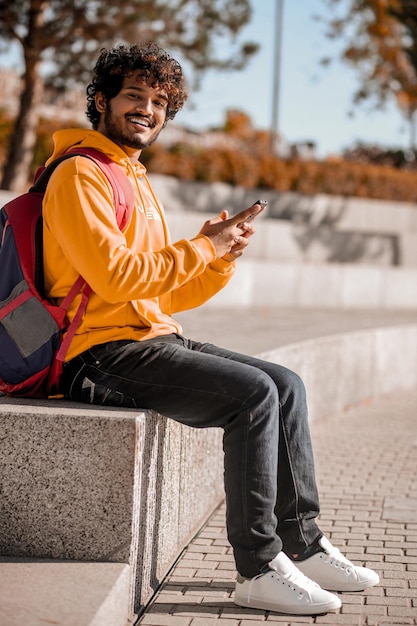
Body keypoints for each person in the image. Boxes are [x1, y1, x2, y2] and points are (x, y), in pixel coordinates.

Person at [42, 41, 379, 616]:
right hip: (95, 355)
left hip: (146, 337)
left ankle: (303, 543)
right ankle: (257, 567)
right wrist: (200, 245)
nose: (147, 109)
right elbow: (115, 276)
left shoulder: (133, 178)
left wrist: (218, 257)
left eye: (159, 101)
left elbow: (161, 292)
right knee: (252, 395)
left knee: (287, 382)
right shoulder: (81, 174)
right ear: (100, 100)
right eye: (133, 96)